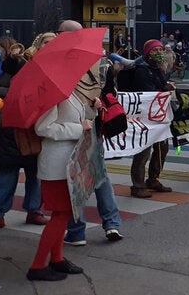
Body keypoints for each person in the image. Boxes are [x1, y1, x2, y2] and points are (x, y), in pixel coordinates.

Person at [28, 62, 104, 281]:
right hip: (56, 165)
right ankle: (37, 266)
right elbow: (43, 127)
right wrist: (80, 128)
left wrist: (93, 109)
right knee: (61, 216)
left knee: (66, 214)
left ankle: (57, 259)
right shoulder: (53, 94)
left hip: (70, 162)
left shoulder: (69, 91)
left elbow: (78, 119)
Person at [55, 20, 124, 246]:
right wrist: (98, 101)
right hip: (90, 123)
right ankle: (111, 223)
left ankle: (77, 231)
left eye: (60, 33)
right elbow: (109, 90)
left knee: (74, 177)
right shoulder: (98, 59)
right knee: (99, 174)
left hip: (73, 123)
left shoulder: (58, 60)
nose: (57, 36)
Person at [0, 37, 46, 233]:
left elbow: (19, 89)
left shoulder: (26, 64)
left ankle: (34, 209)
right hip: (6, 126)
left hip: (27, 125)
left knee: (33, 173)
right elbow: (9, 68)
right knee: (5, 173)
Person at [125, 40, 175, 198]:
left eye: (161, 50)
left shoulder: (157, 69)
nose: (160, 53)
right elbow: (149, 92)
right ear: (148, 53)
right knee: (143, 152)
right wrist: (166, 88)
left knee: (162, 149)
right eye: (156, 51)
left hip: (159, 117)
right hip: (144, 119)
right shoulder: (141, 71)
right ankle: (137, 186)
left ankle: (153, 179)